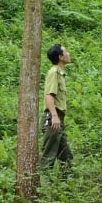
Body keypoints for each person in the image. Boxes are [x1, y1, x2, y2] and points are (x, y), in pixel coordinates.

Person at [40, 44, 73, 173]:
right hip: (53, 119)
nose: (68, 53)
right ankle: (43, 187)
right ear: (60, 56)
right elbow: (49, 95)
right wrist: (54, 116)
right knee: (48, 157)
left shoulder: (60, 73)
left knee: (66, 157)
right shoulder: (54, 72)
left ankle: (66, 188)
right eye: (66, 51)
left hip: (58, 119)